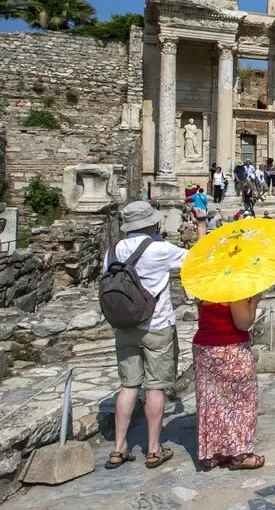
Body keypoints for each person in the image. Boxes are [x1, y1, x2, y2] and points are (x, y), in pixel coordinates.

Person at [104, 201, 187, 470]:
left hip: (124, 326)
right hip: (156, 325)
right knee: (155, 388)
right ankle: (153, 449)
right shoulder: (161, 249)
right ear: (152, 223)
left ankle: (118, 448)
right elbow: (196, 259)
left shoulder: (113, 251)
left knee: (128, 386)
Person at [193, 290, 265, 471]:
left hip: (205, 349)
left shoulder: (204, 287)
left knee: (212, 402)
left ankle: (214, 453)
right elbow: (243, 323)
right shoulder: (233, 288)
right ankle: (240, 455)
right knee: (241, 402)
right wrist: (254, 302)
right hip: (231, 349)